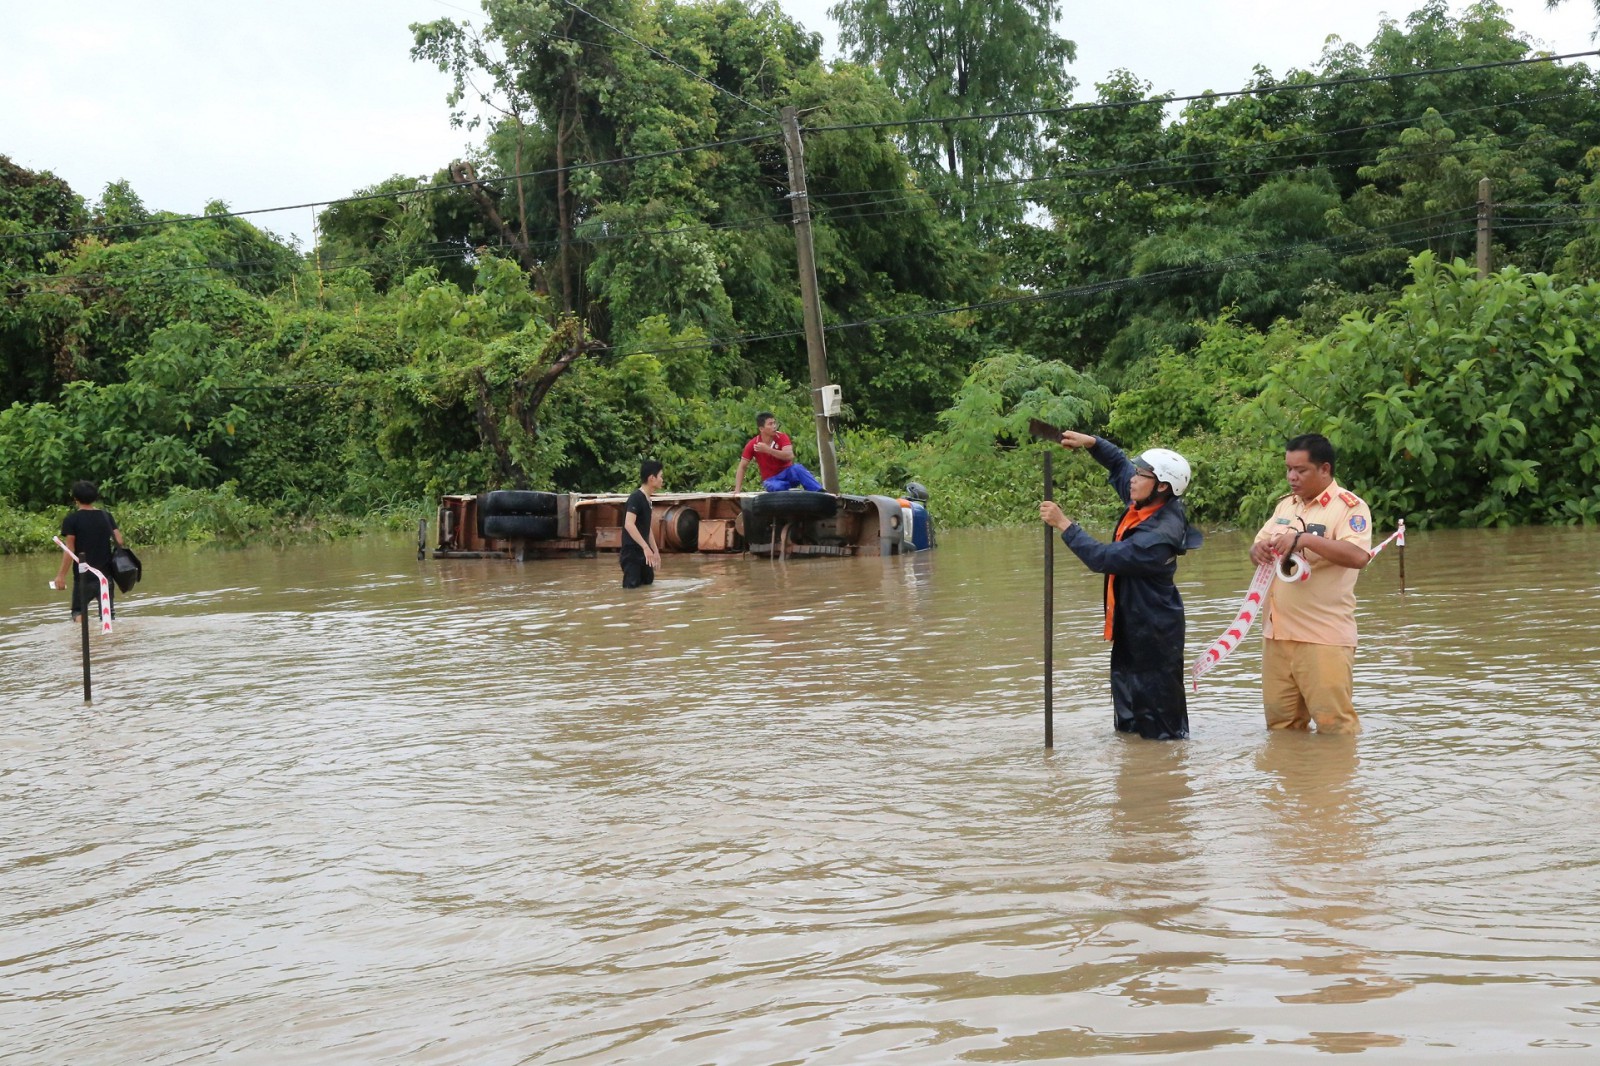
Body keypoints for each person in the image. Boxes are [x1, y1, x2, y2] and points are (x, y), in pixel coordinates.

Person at [1040, 431, 1199, 740]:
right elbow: (1118, 465)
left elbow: (1101, 558)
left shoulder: (1157, 537)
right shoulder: (1147, 500)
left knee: (1160, 729)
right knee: (1128, 717)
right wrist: (1093, 443)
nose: (1132, 479)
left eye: (1140, 475)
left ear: (1162, 486)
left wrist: (1064, 524)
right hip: (1131, 627)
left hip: (1155, 635)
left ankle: (1163, 778)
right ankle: (1132, 773)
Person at [1248, 433, 1373, 735]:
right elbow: (1258, 548)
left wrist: (1304, 540)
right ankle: (1295, 780)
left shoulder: (1349, 507)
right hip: (1277, 636)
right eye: (1289, 469)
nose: (1292, 477)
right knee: (1281, 729)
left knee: (1336, 730)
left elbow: (1358, 556)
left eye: (1301, 470)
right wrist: (1258, 551)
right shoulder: (1285, 507)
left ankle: (1336, 783)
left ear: (1325, 469)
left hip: (1323, 637)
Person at [51, 480, 126, 623]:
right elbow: (119, 540)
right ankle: (108, 641)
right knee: (107, 616)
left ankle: (84, 640)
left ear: (75, 499)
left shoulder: (72, 520)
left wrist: (61, 576)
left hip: (84, 577)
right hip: (105, 576)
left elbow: (69, 549)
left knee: (78, 612)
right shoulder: (106, 516)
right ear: (95, 497)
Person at [733, 412, 825, 493]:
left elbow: (789, 455)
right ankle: (788, 491)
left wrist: (768, 450)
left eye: (774, 423)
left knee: (798, 468)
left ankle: (819, 491)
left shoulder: (782, 437)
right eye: (770, 424)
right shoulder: (753, 444)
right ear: (761, 429)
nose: (774, 426)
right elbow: (742, 466)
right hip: (772, 479)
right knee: (773, 486)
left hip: (788, 473)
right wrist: (737, 490)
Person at [620, 460, 664, 588]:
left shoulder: (648, 499)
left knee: (648, 584)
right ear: (652, 478)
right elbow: (629, 524)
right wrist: (646, 547)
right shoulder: (636, 498)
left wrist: (655, 551)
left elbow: (647, 528)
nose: (662, 480)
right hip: (632, 553)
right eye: (660, 476)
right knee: (631, 589)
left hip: (645, 553)